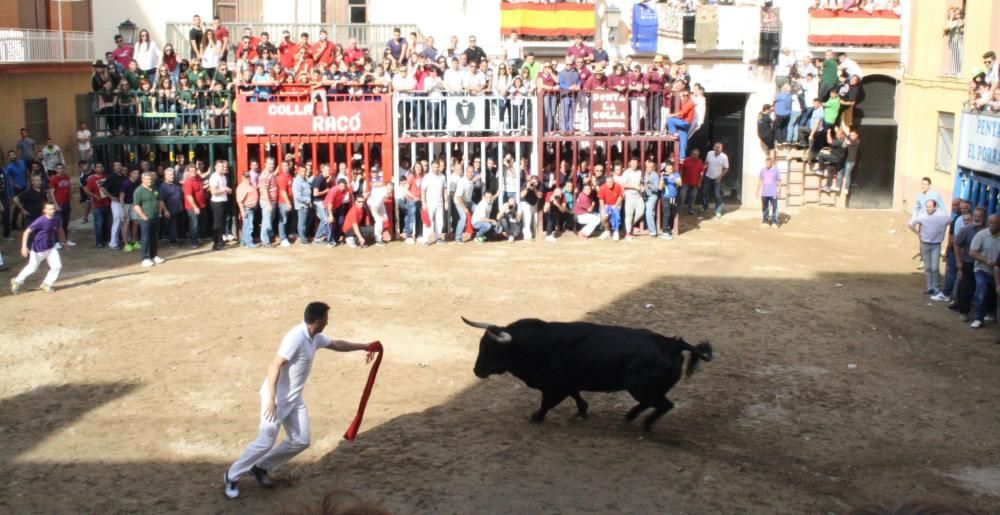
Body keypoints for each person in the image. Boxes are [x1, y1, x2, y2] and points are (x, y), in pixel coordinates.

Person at [224, 302, 378, 499]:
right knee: (264, 443)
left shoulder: (315, 337)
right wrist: (271, 398)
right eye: (326, 318)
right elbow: (274, 365)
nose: (328, 322)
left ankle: (260, 467)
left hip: (294, 399)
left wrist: (365, 346)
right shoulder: (296, 337)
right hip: (277, 401)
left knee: (301, 440)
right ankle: (231, 476)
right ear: (319, 320)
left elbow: (337, 344)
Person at [10, 201, 66, 294]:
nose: (52, 211)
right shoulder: (40, 221)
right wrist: (24, 246)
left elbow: (60, 229)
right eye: (50, 209)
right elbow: (27, 232)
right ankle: (17, 281)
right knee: (32, 268)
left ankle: (46, 284)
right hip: (38, 249)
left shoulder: (56, 220)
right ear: (45, 210)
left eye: (53, 209)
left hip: (50, 248)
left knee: (57, 266)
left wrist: (64, 241)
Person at [908, 199, 951, 299]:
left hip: (936, 244)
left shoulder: (941, 216)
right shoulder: (923, 216)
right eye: (927, 206)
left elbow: (949, 221)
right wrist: (918, 234)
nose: (928, 208)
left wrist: (941, 232)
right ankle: (930, 287)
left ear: (935, 207)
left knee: (934, 267)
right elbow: (910, 224)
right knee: (928, 267)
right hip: (925, 243)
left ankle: (936, 287)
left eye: (930, 207)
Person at [969, 213, 1000, 328]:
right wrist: (986, 260)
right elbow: (972, 252)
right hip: (982, 269)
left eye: (995, 223)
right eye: (990, 222)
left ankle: (991, 313)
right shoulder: (981, 235)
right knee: (981, 290)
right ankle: (978, 318)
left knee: (992, 293)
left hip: (997, 272)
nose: (992, 225)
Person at [954, 207, 985, 322]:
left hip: (982, 265)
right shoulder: (966, 230)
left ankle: (981, 313)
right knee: (966, 287)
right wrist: (958, 260)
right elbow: (957, 244)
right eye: (976, 216)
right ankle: (963, 311)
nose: (977, 218)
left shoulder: (987, 231)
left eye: (980, 216)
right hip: (968, 262)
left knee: (981, 288)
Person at [132, 171, 165, 267]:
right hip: (145, 219)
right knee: (145, 238)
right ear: (143, 180)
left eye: (150, 179)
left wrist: (159, 213)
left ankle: (154, 255)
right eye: (147, 179)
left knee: (154, 237)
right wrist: (143, 217)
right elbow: (136, 205)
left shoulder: (155, 188)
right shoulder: (139, 191)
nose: (149, 180)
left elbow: (158, 201)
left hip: (155, 217)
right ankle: (144, 258)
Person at [46, 163, 76, 246]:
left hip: (66, 203)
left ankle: (65, 240)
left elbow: (69, 190)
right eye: (59, 168)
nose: (61, 170)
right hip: (59, 203)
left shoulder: (66, 177)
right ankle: (56, 241)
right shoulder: (54, 179)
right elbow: (52, 193)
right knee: (58, 224)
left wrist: (71, 201)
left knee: (65, 223)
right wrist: (56, 205)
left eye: (62, 168)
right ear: (56, 170)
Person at [83, 163, 111, 247]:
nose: (100, 168)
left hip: (107, 203)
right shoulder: (92, 179)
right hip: (98, 205)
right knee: (99, 224)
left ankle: (106, 239)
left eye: (101, 166)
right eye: (98, 167)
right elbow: (86, 190)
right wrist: (94, 196)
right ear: (95, 169)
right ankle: (99, 242)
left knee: (106, 223)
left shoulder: (106, 177)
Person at [421, 161, 447, 245]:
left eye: (437, 167)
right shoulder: (427, 177)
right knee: (428, 221)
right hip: (429, 202)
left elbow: (445, 189)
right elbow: (423, 190)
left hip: (439, 202)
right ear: (431, 167)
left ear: (439, 167)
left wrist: (446, 201)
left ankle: (438, 238)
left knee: (440, 221)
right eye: (434, 167)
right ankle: (425, 239)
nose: (435, 168)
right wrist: (423, 202)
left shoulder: (442, 177)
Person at [208, 160, 231, 251]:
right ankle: (217, 243)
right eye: (220, 166)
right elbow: (213, 192)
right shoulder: (214, 177)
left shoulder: (223, 177)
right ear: (216, 167)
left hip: (223, 201)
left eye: (223, 166)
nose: (222, 168)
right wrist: (224, 190)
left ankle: (220, 242)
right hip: (217, 202)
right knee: (218, 224)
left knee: (221, 223)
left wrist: (225, 190)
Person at [701, 142, 729, 218]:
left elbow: (726, 168)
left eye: (719, 148)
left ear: (721, 149)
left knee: (717, 194)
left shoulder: (724, 157)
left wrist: (720, 177)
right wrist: (702, 172)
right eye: (716, 147)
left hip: (717, 178)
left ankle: (718, 210)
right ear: (713, 147)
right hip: (708, 176)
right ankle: (705, 206)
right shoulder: (709, 153)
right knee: (704, 192)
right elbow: (706, 163)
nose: (717, 149)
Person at [183, 163, 207, 248]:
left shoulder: (198, 178)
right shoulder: (188, 182)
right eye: (191, 171)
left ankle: (198, 238)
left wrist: (208, 171)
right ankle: (194, 242)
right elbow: (189, 196)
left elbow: (202, 177)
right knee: (194, 224)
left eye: (195, 170)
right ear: (188, 172)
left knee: (200, 223)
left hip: (201, 205)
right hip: (192, 207)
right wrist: (195, 207)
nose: (193, 172)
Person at [159, 167, 184, 247]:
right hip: (170, 210)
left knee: (175, 225)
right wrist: (165, 211)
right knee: (171, 226)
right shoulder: (163, 186)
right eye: (170, 175)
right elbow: (161, 200)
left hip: (178, 209)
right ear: (165, 175)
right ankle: (173, 242)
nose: (172, 176)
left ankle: (175, 240)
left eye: (172, 174)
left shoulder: (175, 184)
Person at [620, 159, 644, 241]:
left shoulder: (639, 172)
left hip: (638, 195)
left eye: (636, 163)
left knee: (641, 211)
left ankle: (629, 227)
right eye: (632, 163)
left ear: (638, 164)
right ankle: (628, 232)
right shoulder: (626, 172)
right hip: (629, 195)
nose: (634, 164)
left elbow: (640, 182)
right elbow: (623, 184)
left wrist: (641, 186)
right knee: (629, 214)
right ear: (629, 163)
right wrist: (634, 186)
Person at [236, 170, 259, 248]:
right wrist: (242, 211)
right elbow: (240, 201)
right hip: (247, 209)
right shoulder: (242, 187)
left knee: (246, 226)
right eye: (246, 177)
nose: (248, 178)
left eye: (248, 176)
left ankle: (243, 241)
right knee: (249, 226)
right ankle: (249, 242)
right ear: (242, 177)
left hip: (251, 209)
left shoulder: (249, 184)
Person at [678, 149, 704, 215]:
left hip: (695, 183)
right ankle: (681, 209)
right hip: (685, 182)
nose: (695, 156)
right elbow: (681, 170)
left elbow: (702, 173)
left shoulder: (700, 162)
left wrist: (700, 182)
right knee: (682, 196)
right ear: (691, 154)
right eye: (694, 154)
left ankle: (691, 209)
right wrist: (680, 180)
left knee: (693, 197)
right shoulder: (686, 160)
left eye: (697, 155)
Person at [597, 174, 623, 241]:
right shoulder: (602, 187)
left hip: (616, 204)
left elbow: (620, 197)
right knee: (604, 217)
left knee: (616, 215)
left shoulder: (617, 186)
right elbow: (601, 199)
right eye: (608, 182)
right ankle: (607, 231)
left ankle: (616, 232)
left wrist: (616, 205)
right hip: (606, 205)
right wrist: (603, 209)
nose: (609, 184)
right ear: (606, 182)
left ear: (613, 181)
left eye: (611, 182)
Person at [659, 162, 681, 240]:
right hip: (665, 197)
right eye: (667, 168)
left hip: (673, 197)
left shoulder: (676, 174)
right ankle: (665, 230)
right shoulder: (663, 176)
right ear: (665, 169)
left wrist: (673, 178)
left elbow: (680, 183)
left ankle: (669, 228)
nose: (669, 170)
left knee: (672, 212)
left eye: (670, 168)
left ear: (673, 168)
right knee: (666, 213)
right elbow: (660, 188)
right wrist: (662, 179)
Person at [292, 166, 312, 245]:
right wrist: (308, 200)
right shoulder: (297, 181)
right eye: (302, 171)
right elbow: (298, 196)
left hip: (305, 204)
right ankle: (302, 239)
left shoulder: (304, 180)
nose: (304, 173)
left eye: (305, 171)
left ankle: (303, 237)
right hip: (302, 205)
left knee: (304, 222)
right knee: (302, 223)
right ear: (298, 171)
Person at [758, 157, 781, 227]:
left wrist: (779, 191)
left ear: (772, 163)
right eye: (766, 163)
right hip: (764, 193)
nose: (767, 164)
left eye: (769, 163)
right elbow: (760, 180)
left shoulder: (776, 170)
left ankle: (775, 222)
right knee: (765, 208)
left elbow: (779, 181)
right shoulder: (762, 170)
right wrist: (757, 190)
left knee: (775, 208)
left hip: (773, 193)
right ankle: (765, 221)